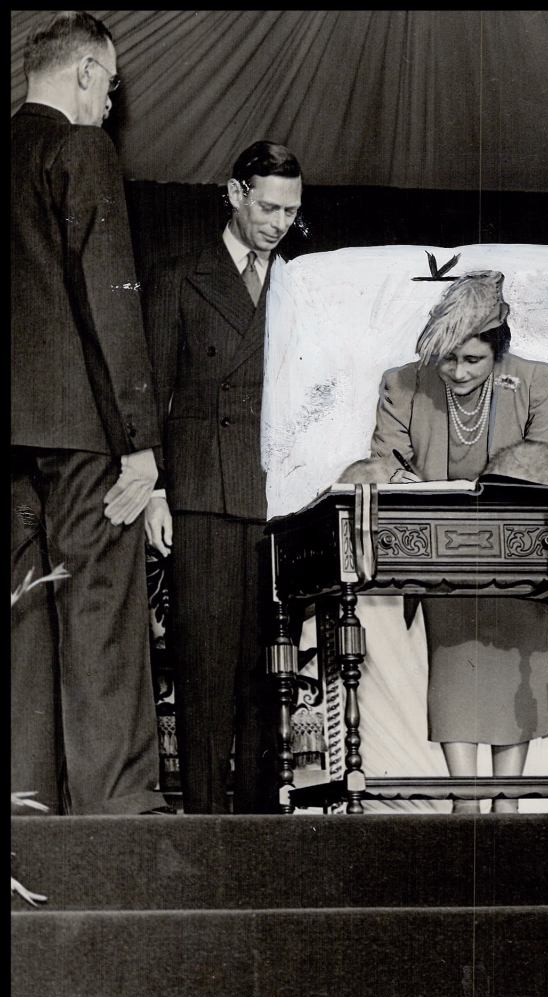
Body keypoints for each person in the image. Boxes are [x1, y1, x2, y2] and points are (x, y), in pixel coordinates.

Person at [11, 11, 171, 815]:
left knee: (22, 629)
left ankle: (26, 816)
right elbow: (112, 302)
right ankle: (118, 827)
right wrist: (141, 447)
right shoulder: (81, 148)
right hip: (79, 433)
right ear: (81, 73)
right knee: (101, 619)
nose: (109, 102)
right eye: (109, 84)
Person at [346, 270, 548, 813]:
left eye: (474, 360)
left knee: (519, 656)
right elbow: (384, 462)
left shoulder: (534, 379)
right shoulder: (402, 382)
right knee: (452, 663)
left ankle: (508, 800)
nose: (459, 371)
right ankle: (466, 800)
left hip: (512, 546)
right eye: (449, 359)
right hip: (437, 547)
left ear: (498, 351)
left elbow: (545, 464)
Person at [143, 141, 303, 814]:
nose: (278, 223)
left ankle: (263, 827)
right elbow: (149, 390)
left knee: (266, 674)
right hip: (202, 494)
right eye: (267, 206)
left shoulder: (302, 284)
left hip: (278, 497)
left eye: (291, 212)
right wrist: (153, 489)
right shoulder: (180, 276)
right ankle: (207, 828)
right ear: (234, 193)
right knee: (204, 668)